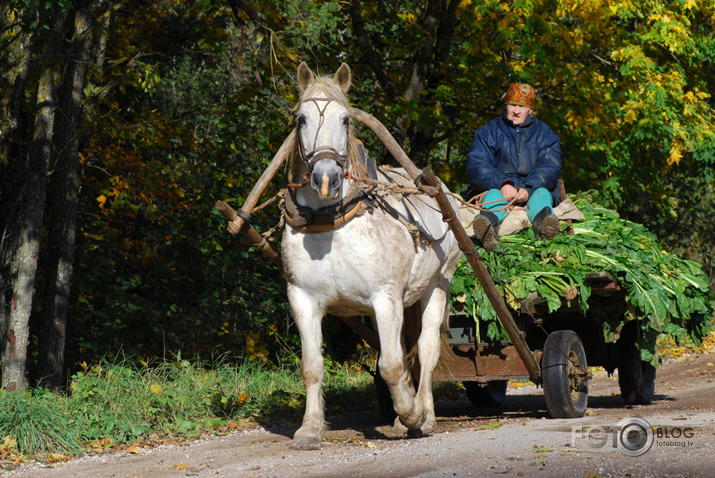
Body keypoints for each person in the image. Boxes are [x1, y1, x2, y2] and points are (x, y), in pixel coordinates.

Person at [465, 83, 562, 251]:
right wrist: (503, 184)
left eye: (522, 106)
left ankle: (545, 226)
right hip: (496, 188)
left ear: (530, 109)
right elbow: (477, 164)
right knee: (493, 195)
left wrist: (529, 188)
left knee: (542, 194)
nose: (516, 110)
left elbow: (550, 167)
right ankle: (488, 228)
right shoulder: (488, 131)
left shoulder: (546, 134)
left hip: (533, 189)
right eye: (513, 104)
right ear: (506, 105)